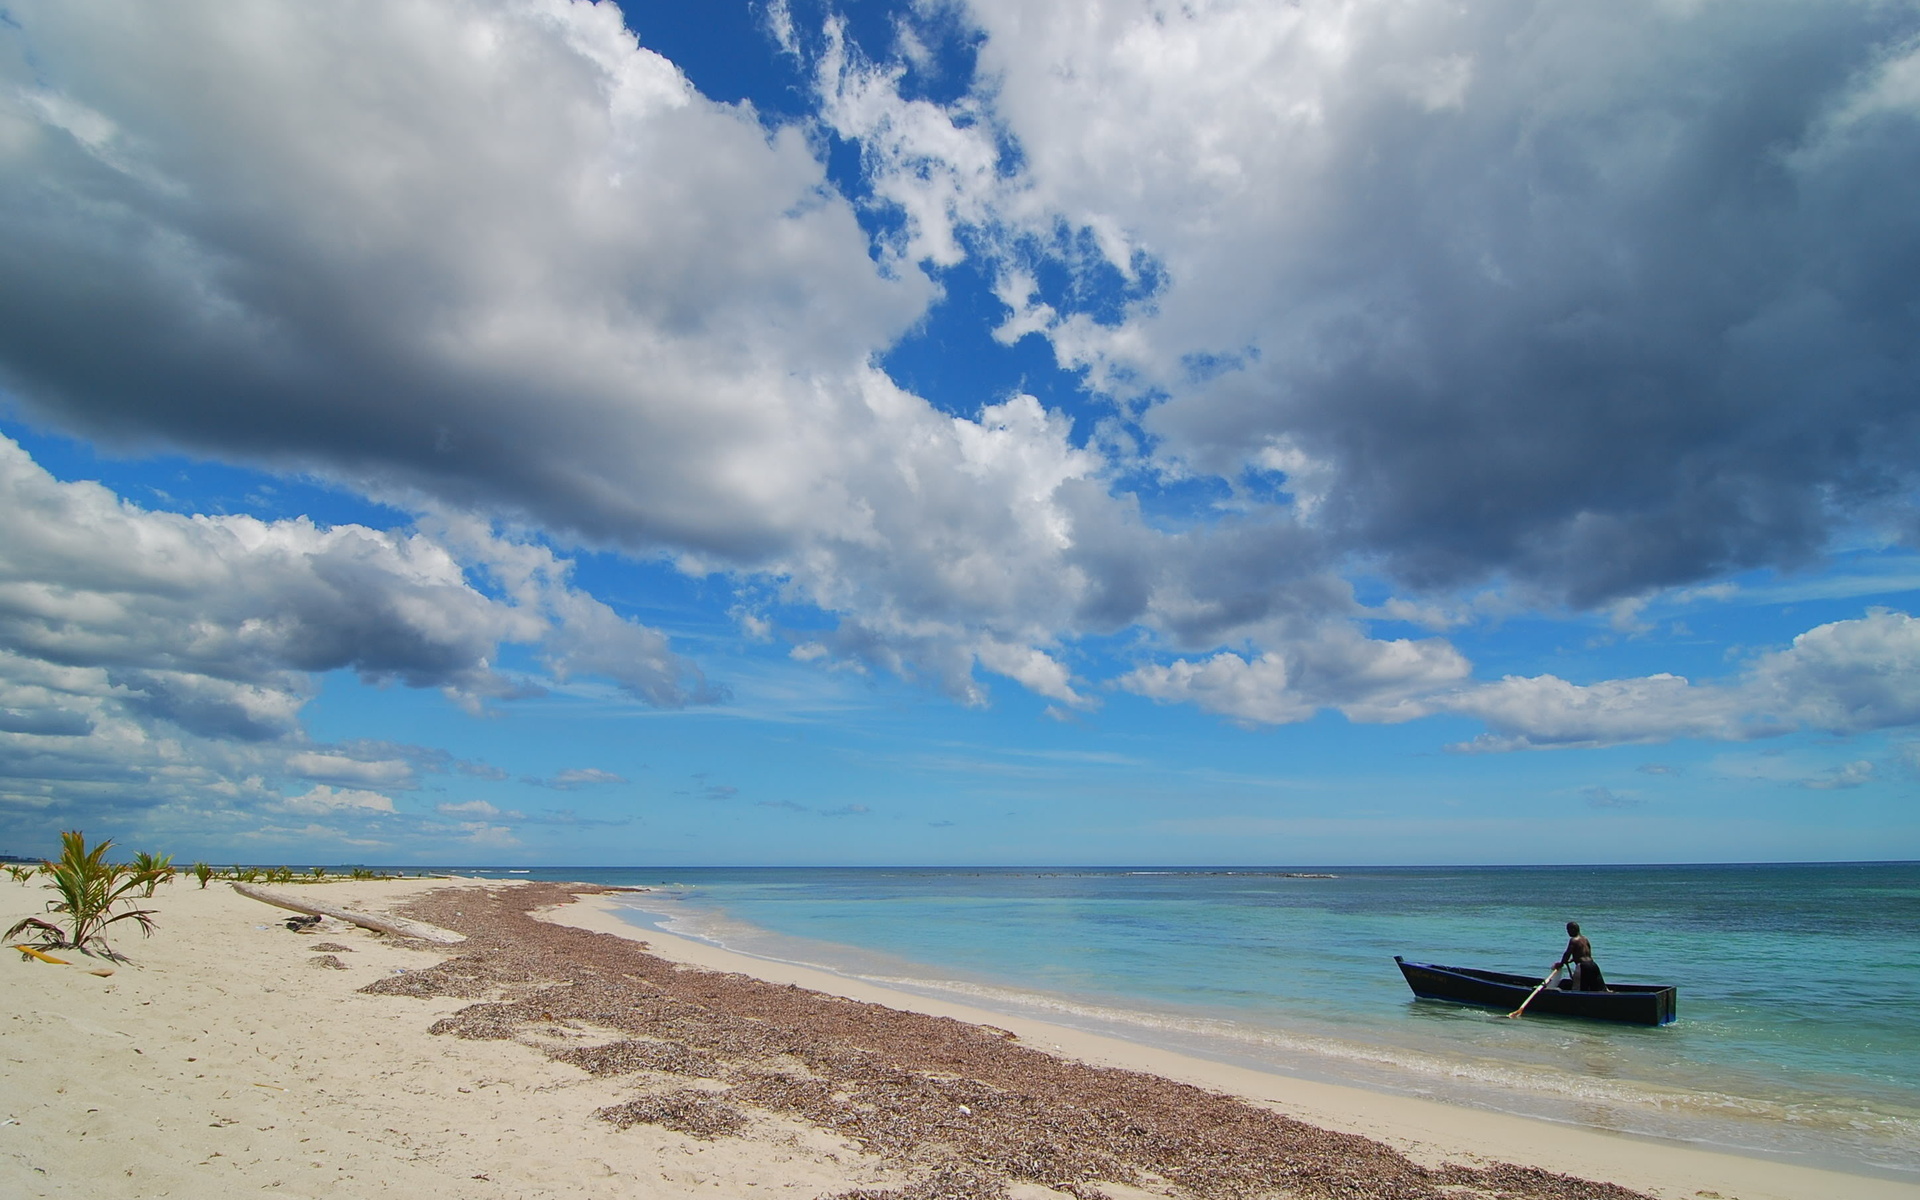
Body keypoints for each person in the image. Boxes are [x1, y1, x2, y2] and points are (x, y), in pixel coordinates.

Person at [1556, 921, 1608, 991]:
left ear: (1573, 929)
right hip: (1593, 965)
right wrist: (1573, 959)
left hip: (1583, 967)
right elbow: (1586, 954)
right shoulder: (1585, 939)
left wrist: (1561, 964)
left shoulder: (1573, 940)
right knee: (1596, 988)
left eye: (1568, 930)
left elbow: (1567, 953)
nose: (1568, 932)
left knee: (1577, 988)